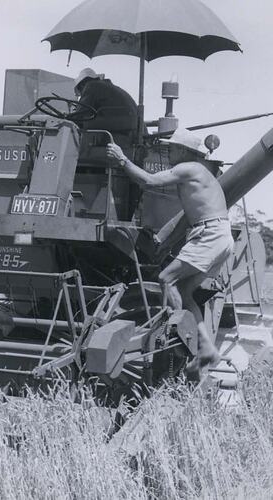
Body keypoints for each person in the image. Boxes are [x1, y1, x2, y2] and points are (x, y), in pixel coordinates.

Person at [106, 128, 234, 373]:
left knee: (166, 279)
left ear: (185, 151)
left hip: (209, 234)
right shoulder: (200, 173)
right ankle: (207, 349)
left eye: (172, 148)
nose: (168, 152)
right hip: (219, 235)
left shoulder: (189, 168)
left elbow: (148, 181)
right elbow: (188, 217)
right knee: (184, 290)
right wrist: (164, 243)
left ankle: (182, 337)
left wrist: (122, 159)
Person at [74, 68, 140, 151]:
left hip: (113, 136)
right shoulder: (110, 88)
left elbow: (78, 116)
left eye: (81, 91)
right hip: (129, 135)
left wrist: (67, 117)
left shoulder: (91, 85)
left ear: (82, 85)